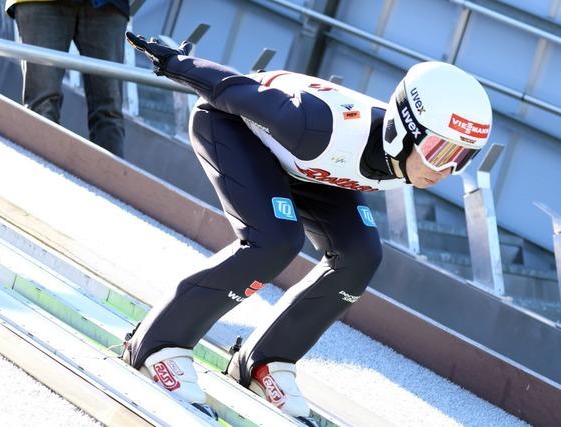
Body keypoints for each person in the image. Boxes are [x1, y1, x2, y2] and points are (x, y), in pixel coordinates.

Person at [121, 33, 492, 425]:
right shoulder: (321, 126)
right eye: (440, 152)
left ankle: (265, 361)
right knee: (275, 241)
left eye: (460, 158)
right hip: (233, 126)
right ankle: (158, 344)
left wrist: (436, 153)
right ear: (405, 128)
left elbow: (351, 174)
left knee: (362, 256)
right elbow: (233, 89)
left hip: (312, 168)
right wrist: (173, 60)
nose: (445, 171)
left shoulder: (403, 159)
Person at [5, 0, 129, 157]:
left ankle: (112, 178)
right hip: (40, 2)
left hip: (109, 4)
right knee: (42, 107)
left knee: (108, 113)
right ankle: (41, 176)